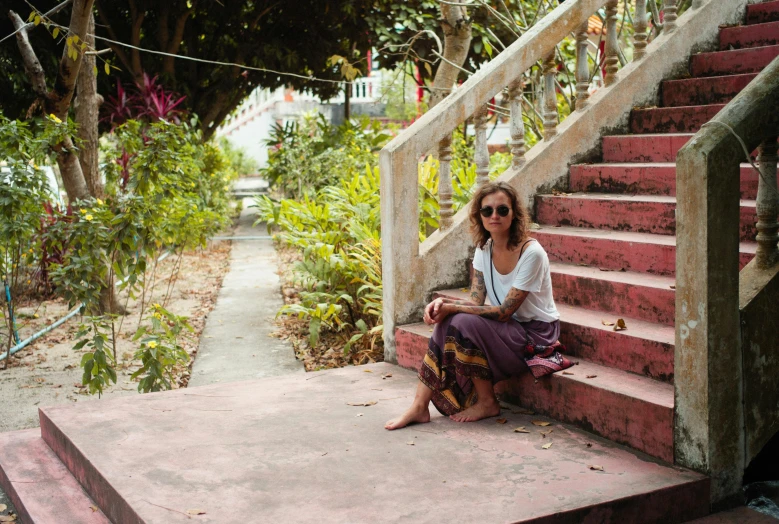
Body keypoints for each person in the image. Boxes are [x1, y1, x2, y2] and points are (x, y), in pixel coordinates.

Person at [385, 181, 572, 430]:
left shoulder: (531, 253)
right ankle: (419, 406)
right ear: (479, 215)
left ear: (514, 213)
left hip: (534, 336)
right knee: (451, 319)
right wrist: (445, 303)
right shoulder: (484, 249)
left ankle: (485, 402)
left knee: (459, 319)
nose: (494, 216)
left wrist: (453, 308)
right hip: (504, 330)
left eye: (502, 210)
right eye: (487, 211)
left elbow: (505, 311)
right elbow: (475, 302)